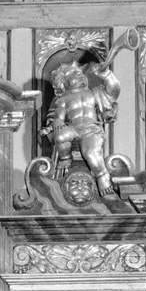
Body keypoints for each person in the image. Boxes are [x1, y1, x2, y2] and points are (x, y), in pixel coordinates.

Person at [43, 59, 121, 194]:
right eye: (73, 73)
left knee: (90, 153)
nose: (79, 74)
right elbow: (57, 118)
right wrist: (56, 123)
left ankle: (102, 175)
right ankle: (65, 158)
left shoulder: (94, 93)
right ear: (62, 82)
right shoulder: (61, 100)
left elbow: (113, 91)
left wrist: (107, 75)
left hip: (91, 129)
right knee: (60, 136)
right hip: (73, 129)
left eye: (80, 72)